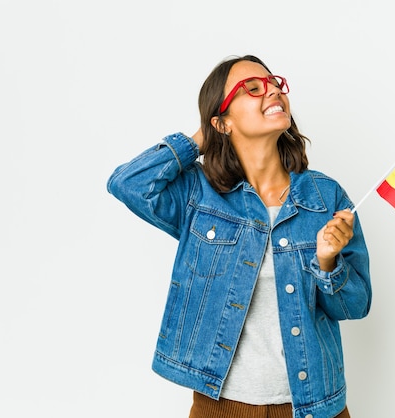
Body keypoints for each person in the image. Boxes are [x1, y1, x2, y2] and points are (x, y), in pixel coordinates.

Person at [107, 55, 372, 418]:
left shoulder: (324, 198)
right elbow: (128, 184)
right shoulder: (200, 195)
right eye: (252, 88)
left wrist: (328, 262)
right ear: (223, 120)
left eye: (275, 83)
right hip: (222, 409)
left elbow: (355, 307)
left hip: (313, 407)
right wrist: (204, 136)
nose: (273, 91)